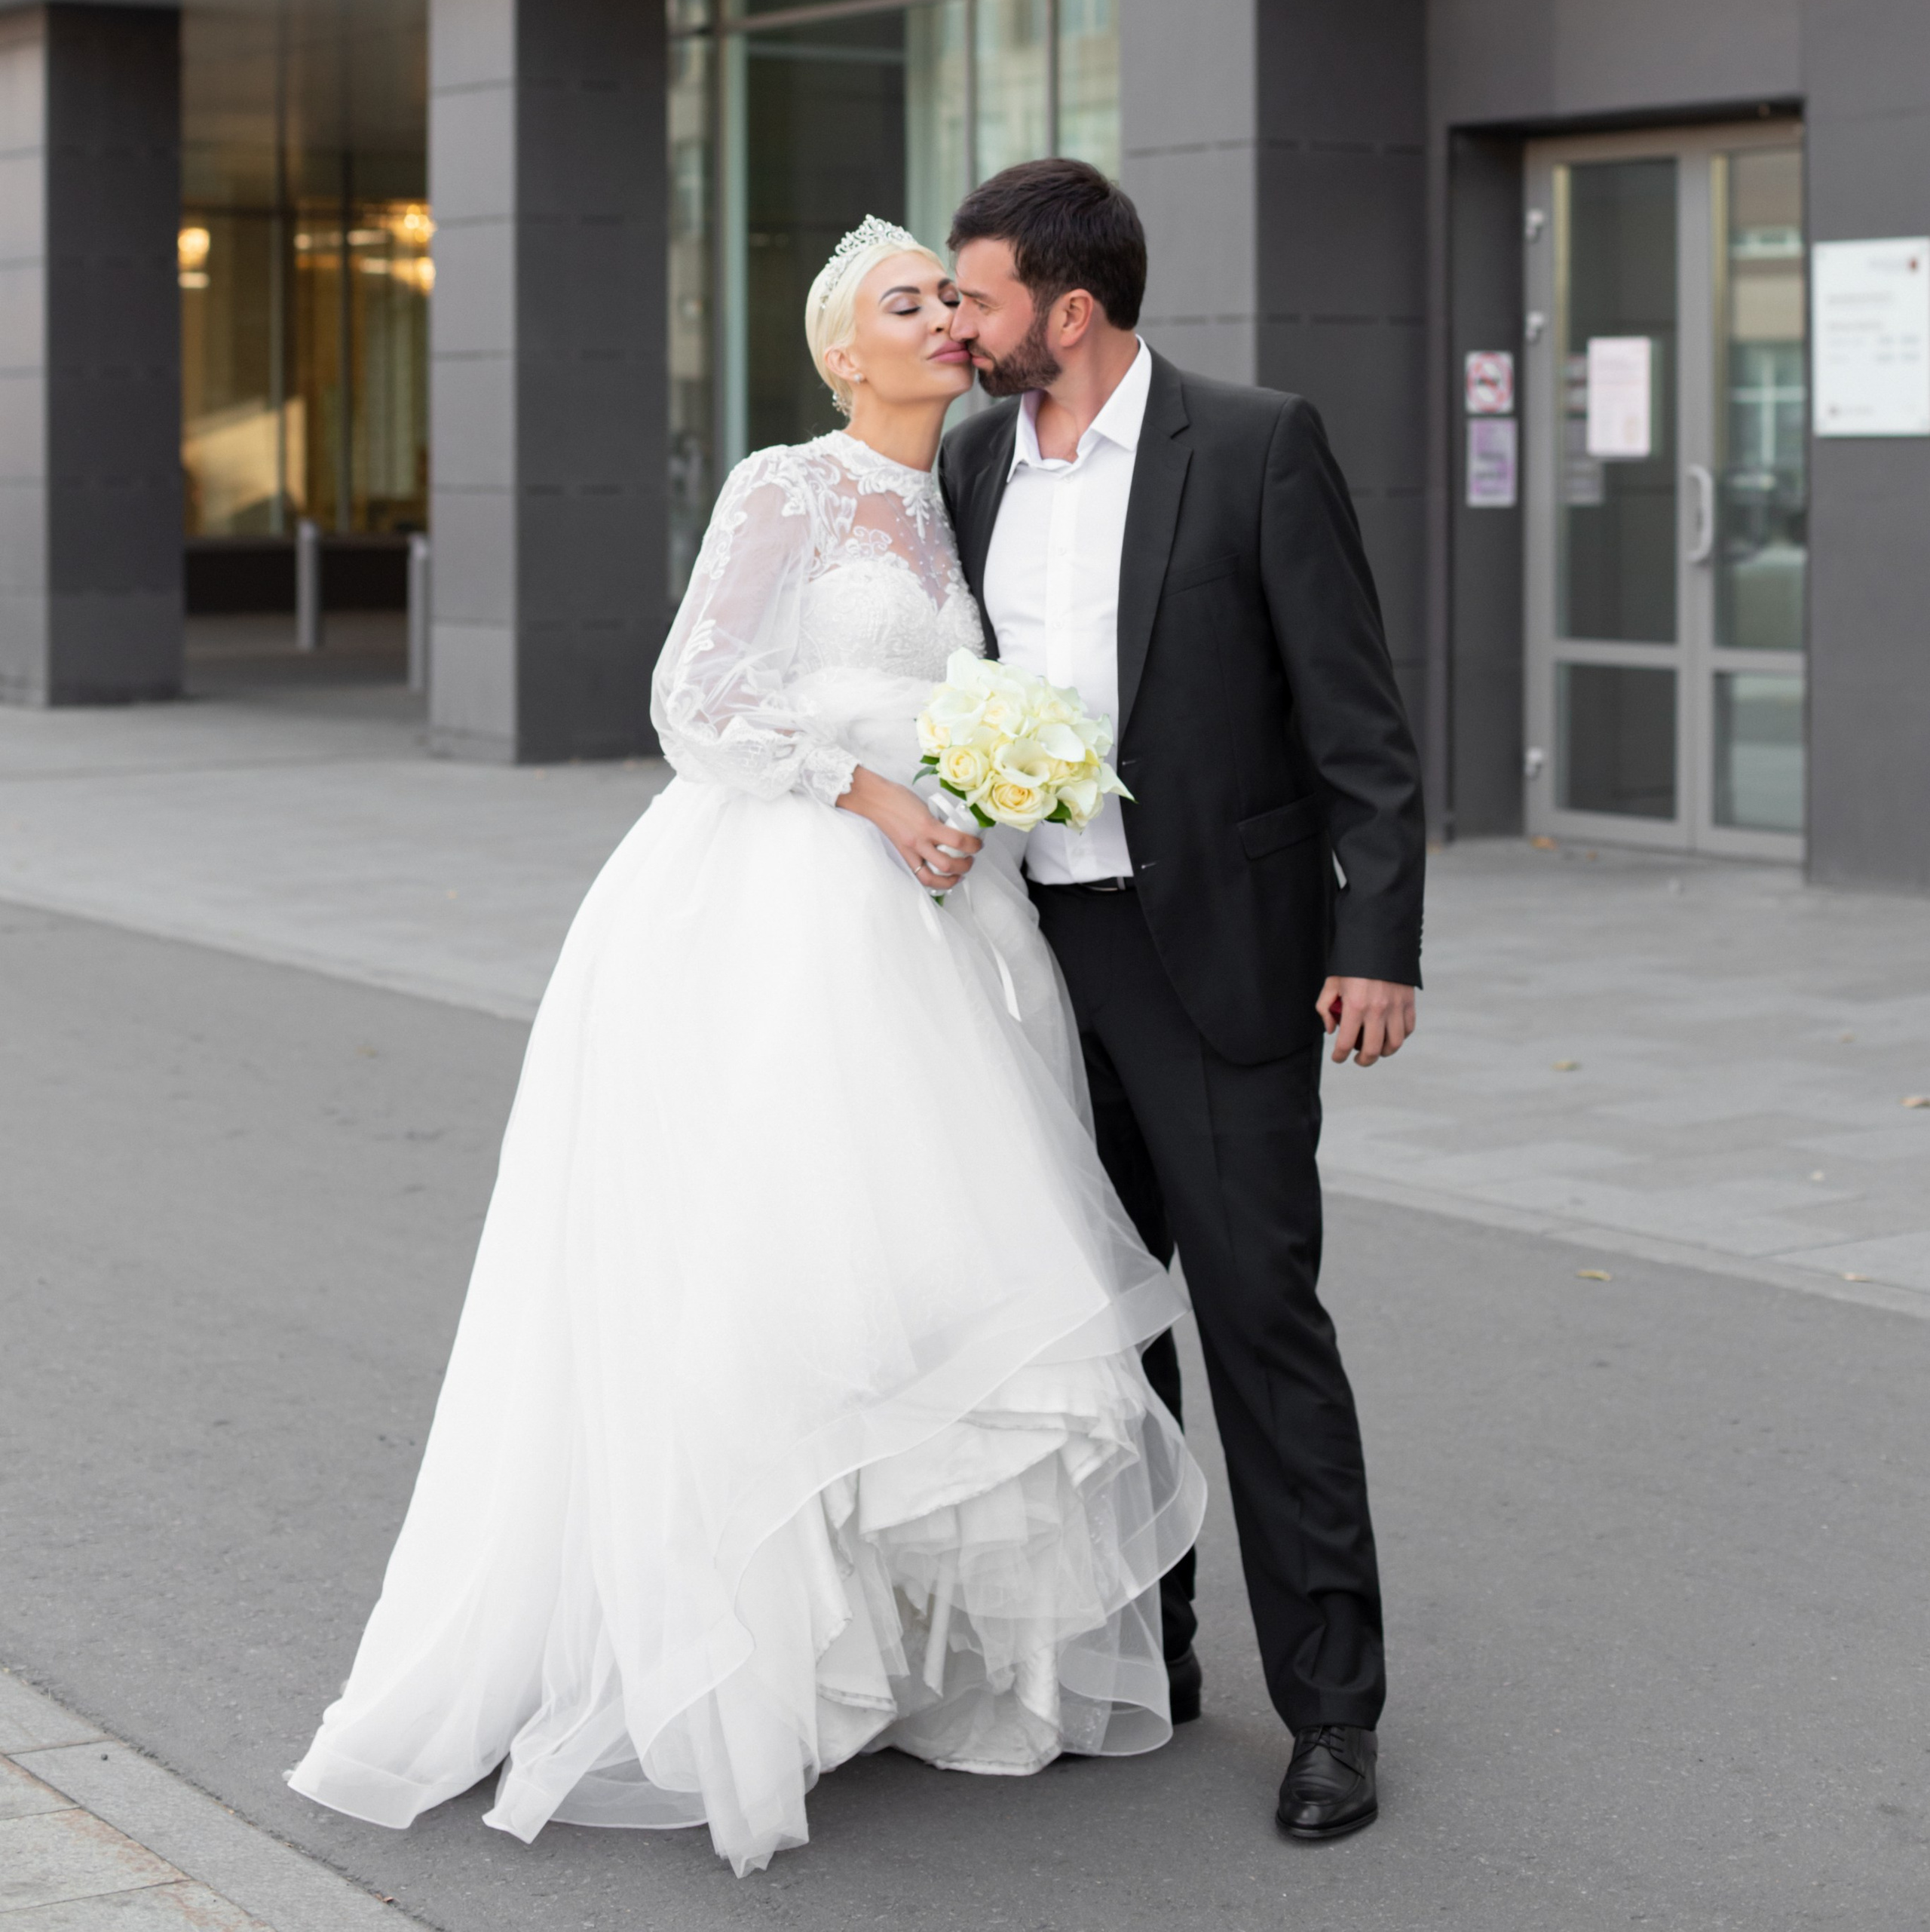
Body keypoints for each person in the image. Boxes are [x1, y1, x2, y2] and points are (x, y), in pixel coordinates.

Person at [288, 217, 1205, 1879]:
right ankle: (762, 1662)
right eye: (901, 300)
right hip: (787, 909)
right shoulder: (790, 484)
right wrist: (870, 795)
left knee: (925, 1268)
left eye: (947, 292)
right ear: (838, 350)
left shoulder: (968, 495)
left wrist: (984, 798)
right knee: (780, 1268)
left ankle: (902, 1648)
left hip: (941, 922)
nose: (936, 315)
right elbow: (693, 694)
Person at [940, 157, 1425, 1847]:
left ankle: (1334, 1713)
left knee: (1255, 1325)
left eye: (979, 297)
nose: (958, 323)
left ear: (1066, 311)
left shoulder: (1257, 442)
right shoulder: (970, 454)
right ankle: (1145, 1656)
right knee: (1097, 1329)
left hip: (1218, 957)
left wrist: (1378, 940)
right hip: (1034, 962)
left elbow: (1356, 719)